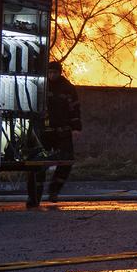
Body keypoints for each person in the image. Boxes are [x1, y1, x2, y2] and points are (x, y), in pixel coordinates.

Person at [26, 61, 83, 207]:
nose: (52, 75)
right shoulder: (41, 86)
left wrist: (76, 127)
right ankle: (34, 198)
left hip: (62, 131)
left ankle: (54, 190)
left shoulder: (68, 88)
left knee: (67, 161)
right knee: (37, 164)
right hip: (43, 132)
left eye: (55, 72)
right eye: (50, 72)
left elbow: (74, 109)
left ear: (60, 72)